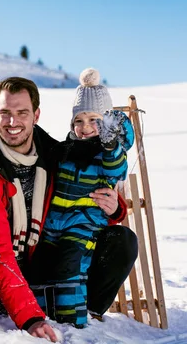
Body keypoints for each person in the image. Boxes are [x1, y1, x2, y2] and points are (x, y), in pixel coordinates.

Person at [0, 75, 138, 341]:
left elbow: (77, 194)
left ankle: (79, 315)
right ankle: (19, 314)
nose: (13, 122)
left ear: (36, 115)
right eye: (5, 112)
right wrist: (30, 318)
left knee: (121, 242)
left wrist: (114, 209)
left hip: (35, 263)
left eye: (22, 112)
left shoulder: (51, 152)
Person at [29, 68, 135, 328]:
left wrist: (110, 145)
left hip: (83, 224)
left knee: (71, 266)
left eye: (94, 120)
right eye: (79, 120)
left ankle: (72, 323)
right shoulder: (64, 150)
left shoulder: (106, 153)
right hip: (52, 224)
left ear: (107, 125)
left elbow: (117, 168)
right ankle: (42, 318)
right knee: (41, 266)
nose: (85, 127)